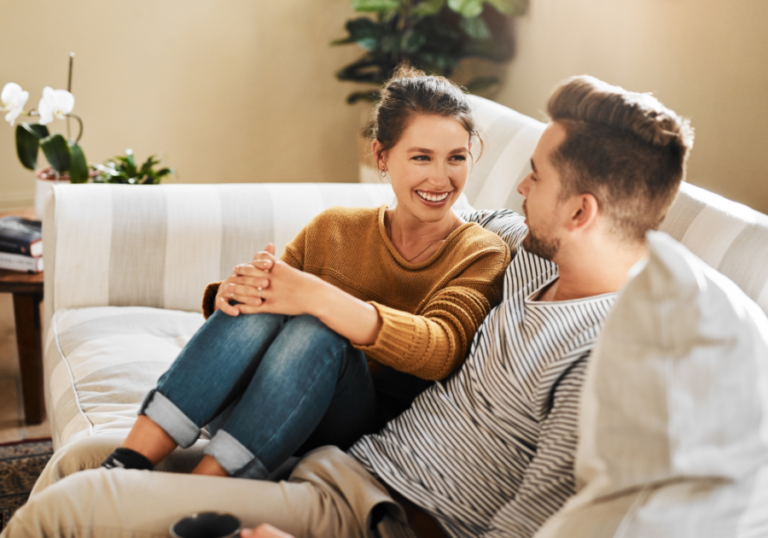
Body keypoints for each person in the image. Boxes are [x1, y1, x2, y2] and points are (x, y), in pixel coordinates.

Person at [1, 74, 694, 538]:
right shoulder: (524, 253)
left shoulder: (607, 356)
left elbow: (528, 525)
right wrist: (239, 290)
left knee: (82, 505)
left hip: (370, 511)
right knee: (83, 460)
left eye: (534, 177)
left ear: (579, 211)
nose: (515, 184)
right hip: (342, 455)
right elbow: (421, 215)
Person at [94, 65, 511, 480]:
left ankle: (204, 487)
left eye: (456, 158)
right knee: (272, 291)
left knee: (320, 329)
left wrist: (319, 298)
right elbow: (269, 307)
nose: (441, 178)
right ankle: (126, 463)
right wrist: (233, 293)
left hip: (346, 428)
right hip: (249, 410)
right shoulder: (334, 227)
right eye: (422, 157)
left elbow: (441, 349)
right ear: (381, 156)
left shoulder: (480, 252)